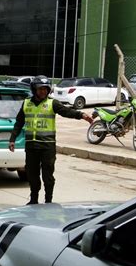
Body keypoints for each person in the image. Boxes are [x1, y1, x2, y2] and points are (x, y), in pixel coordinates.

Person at [9, 75, 93, 204]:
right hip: (31, 146)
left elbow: (66, 111)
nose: (43, 91)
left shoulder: (52, 103)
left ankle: (48, 201)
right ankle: (33, 200)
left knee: (48, 176)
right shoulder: (26, 103)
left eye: (45, 89)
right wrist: (12, 139)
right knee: (32, 175)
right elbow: (19, 122)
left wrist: (81, 115)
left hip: (47, 147)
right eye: (40, 89)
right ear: (34, 89)